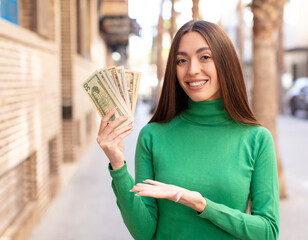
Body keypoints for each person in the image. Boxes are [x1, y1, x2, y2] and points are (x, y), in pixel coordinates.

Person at [97, 20, 279, 240]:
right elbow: (144, 233)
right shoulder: (152, 136)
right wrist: (118, 166)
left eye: (205, 57)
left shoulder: (257, 139)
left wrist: (201, 204)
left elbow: (268, 231)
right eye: (181, 60)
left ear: (225, 62)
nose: (192, 70)